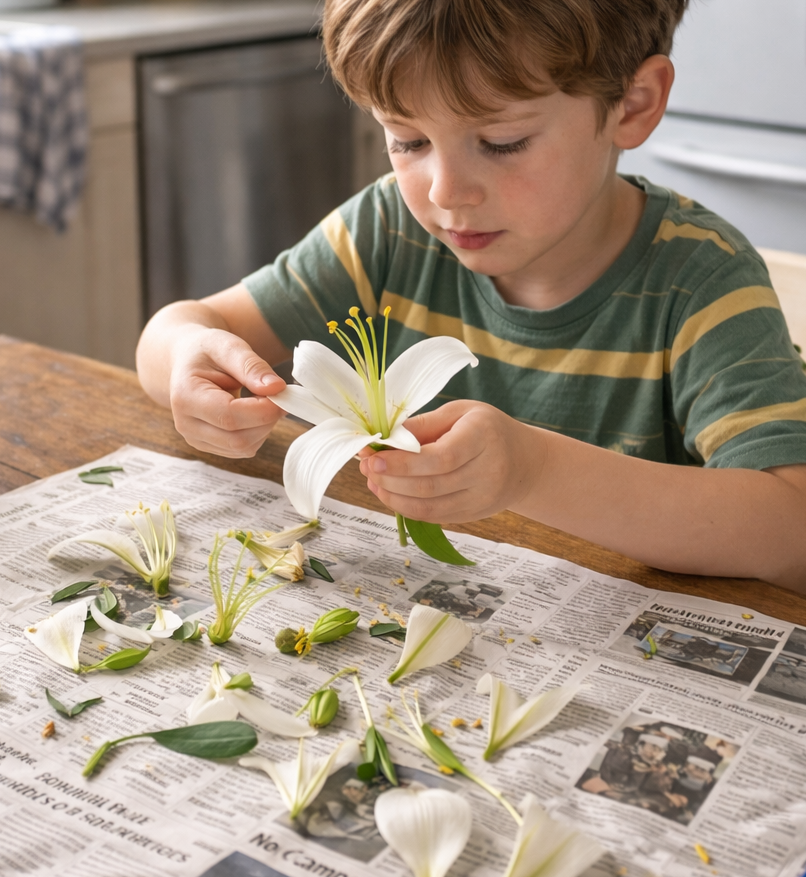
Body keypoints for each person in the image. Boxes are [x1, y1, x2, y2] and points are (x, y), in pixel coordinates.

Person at [136, 0, 806, 591]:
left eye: (501, 141)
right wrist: (189, 355)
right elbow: (185, 329)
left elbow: (791, 527)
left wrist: (534, 470)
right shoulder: (389, 231)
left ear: (632, 104)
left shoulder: (700, 283)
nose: (444, 191)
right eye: (408, 139)